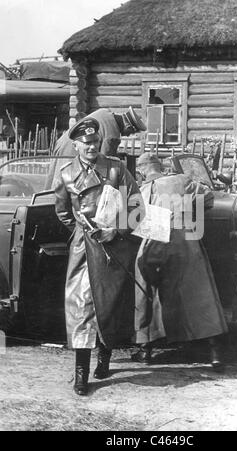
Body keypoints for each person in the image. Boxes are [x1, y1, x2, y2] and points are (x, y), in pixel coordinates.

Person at [54, 118, 145, 396]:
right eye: (86, 143)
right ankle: (81, 373)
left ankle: (104, 359)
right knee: (81, 307)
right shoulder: (67, 174)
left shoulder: (116, 169)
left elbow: (137, 206)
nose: (91, 147)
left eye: (95, 142)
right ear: (77, 145)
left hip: (113, 247)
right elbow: (63, 213)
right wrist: (85, 233)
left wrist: (115, 231)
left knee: (110, 304)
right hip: (84, 250)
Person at [132, 153, 228, 369]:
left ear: (141, 170)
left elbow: (134, 220)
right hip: (186, 241)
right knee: (200, 293)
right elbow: (209, 197)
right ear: (161, 166)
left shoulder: (142, 189)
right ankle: (215, 353)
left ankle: (145, 349)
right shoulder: (182, 180)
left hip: (155, 241)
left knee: (145, 288)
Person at [45, 106, 146, 189]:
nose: (127, 135)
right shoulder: (112, 135)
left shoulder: (104, 113)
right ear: (128, 126)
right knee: (65, 183)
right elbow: (104, 163)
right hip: (73, 149)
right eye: (129, 133)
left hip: (64, 142)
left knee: (55, 176)